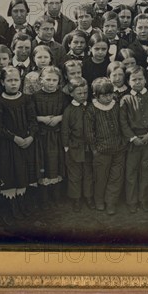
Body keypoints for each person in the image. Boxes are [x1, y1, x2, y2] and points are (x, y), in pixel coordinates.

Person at [0, 67, 37, 225]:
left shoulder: (26, 99)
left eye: (16, 80)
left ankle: (21, 203)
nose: (13, 83)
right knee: (9, 174)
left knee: (22, 172)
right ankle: (11, 207)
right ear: (3, 82)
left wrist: (31, 136)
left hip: (25, 142)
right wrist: (14, 138)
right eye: (9, 80)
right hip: (8, 145)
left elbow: (33, 120)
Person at [119, 66, 148, 213]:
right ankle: (131, 201)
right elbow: (123, 121)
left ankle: (144, 200)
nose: (137, 82)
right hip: (132, 141)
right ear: (128, 81)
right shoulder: (125, 99)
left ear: (145, 79)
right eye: (134, 79)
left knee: (145, 170)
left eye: (140, 79)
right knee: (131, 171)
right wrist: (132, 138)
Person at [85, 77, 127, 215]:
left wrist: (123, 142)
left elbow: (123, 124)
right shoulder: (92, 109)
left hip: (118, 148)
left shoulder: (116, 105)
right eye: (104, 95)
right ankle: (99, 201)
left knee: (116, 177)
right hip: (101, 151)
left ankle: (111, 202)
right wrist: (94, 149)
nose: (108, 98)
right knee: (100, 177)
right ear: (96, 96)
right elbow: (89, 132)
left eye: (110, 94)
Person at [33, 66, 66, 208]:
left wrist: (59, 117)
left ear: (59, 81)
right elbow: (29, 115)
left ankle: (56, 196)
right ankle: (44, 199)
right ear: (41, 80)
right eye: (48, 79)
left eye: (54, 80)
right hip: (41, 136)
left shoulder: (63, 96)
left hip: (56, 136)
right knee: (43, 164)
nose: (51, 83)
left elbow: (69, 112)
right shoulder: (35, 96)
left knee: (56, 163)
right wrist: (41, 119)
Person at [62, 78, 94, 212]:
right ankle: (76, 199)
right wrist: (67, 147)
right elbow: (65, 130)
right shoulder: (69, 110)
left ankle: (88, 197)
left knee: (88, 174)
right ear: (71, 94)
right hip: (74, 148)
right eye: (79, 93)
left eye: (85, 93)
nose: (83, 96)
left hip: (89, 148)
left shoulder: (91, 107)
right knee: (75, 175)